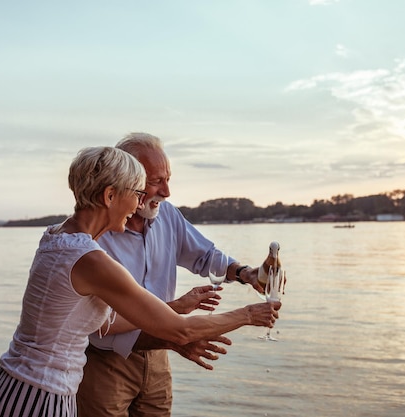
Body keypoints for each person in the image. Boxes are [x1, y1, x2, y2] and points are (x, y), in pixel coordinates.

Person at [0, 146, 280, 417]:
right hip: (39, 394)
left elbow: (103, 321)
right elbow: (181, 331)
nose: (140, 203)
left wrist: (237, 278)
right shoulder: (91, 259)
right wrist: (250, 314)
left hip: (21, 383)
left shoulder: (57, 237)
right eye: (137, 193)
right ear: (110, 196)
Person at [76, 134, 268, 417]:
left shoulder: (168, 216)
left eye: (168, 179)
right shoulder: (93, 238)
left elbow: (206, 256)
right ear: (123, 179)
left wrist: (246, 273)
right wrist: (244, 316)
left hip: (158, 361)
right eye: (155, 181)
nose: (166, 192)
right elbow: (100, 325)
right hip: (106, 364)